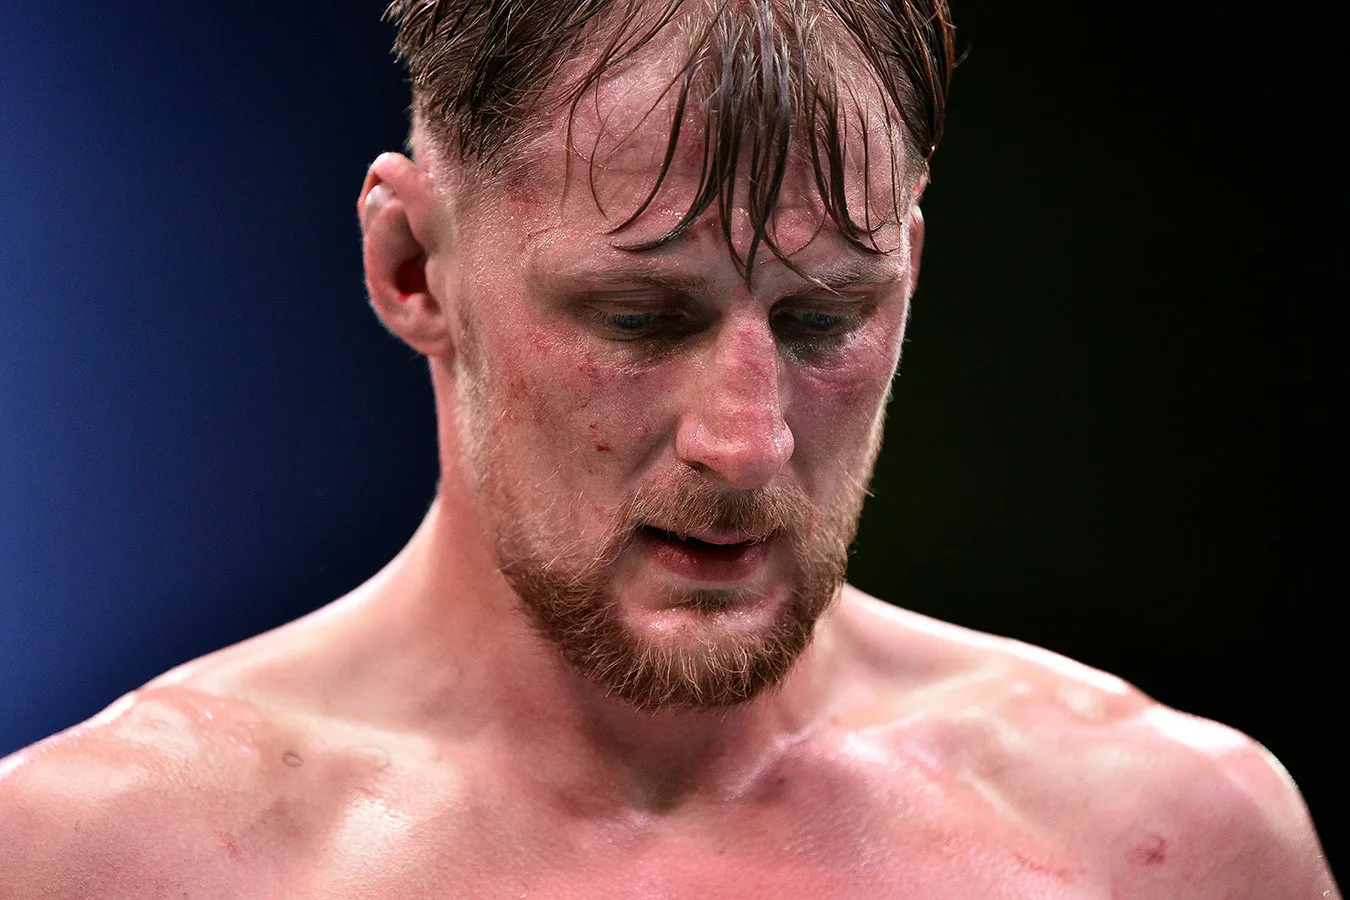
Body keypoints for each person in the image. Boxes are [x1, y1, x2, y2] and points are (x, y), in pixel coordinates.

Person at [0, 0, 1337, 896]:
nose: (745, 444)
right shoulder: (107, 863)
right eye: (640, 317)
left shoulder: (1163, 846)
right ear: (412, 264)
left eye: (824, 319)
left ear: (911, 275)